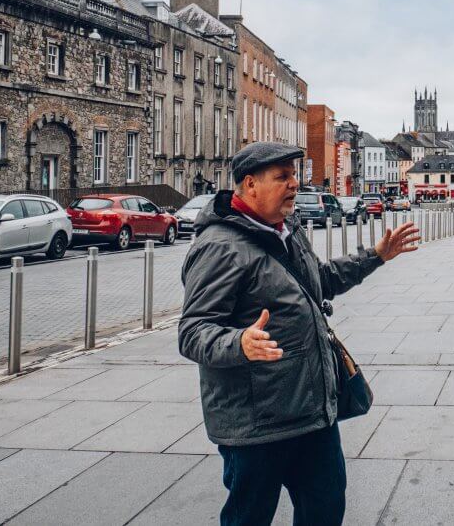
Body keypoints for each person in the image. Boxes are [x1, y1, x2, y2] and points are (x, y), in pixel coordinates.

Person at [178, 142, 420, 526]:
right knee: (249, 518)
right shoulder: (219, 248)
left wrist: (374, 257)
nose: (295, 184)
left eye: (295, 175)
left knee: (325, 509)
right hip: (256, 424)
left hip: (311, 412)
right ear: (250, 185)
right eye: (283, 177)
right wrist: (238, 344)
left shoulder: (287, 230)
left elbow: (319, 281)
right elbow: (193, 331)